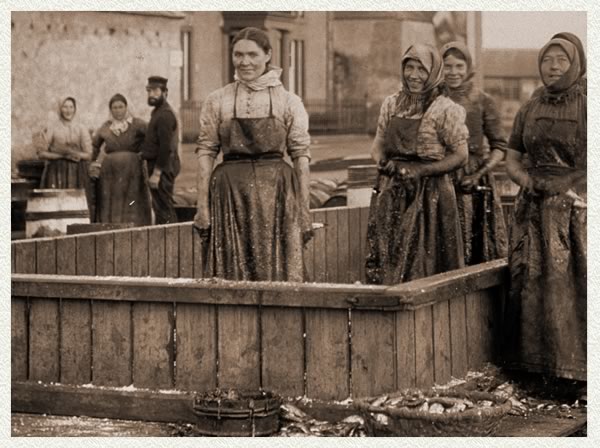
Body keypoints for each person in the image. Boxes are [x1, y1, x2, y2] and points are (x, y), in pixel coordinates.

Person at [194, 27, 311, 282]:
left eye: (252, 55)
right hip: (229, 194)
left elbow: (301, 156)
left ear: (268, 55)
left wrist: (304, 211)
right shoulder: (218, 100)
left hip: (277, 192)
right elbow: (206, 152)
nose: (244, 62)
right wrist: (202, 207)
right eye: (238, 55)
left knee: (279, 269)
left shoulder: (288, 101)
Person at [504, 36, 586, 396]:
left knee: (571, 283)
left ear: (576, 63)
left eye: (561, 61)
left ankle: (578, 371)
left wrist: (567, 184)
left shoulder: (588, 104)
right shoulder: (531, 105)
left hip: (575, 210)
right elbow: (512, 154)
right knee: (529, 281)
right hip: (533, 209)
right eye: (547, 60)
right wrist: (526, 180)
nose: (553, 67)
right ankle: (535, 370)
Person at [365, 43, 469, 285]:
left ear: (433, 72)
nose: (414, 75)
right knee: (388, 258)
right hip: (393, 191)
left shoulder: (446, 109)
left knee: (426, 262)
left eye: (421, 69)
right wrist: (382, 162)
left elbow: (460, 155)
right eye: (409, 67)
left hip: (431, 197)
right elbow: (377, 144)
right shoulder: (391, 104)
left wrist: (422, 170)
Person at [441, 41, 508, 265]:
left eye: (459, 66)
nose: (453, 72)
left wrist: (478, 175)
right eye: (447, 66)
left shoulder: (483, 101)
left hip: (472, 179)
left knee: (474, 244)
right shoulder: (432, 100)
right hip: (439, 177)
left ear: (468, 67)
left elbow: (500, 147)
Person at [90, 93, 151, 226]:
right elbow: (95, 146)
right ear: (110, 110)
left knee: (131, 198)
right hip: (110, 172)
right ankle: (112, 226)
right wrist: (94, 164)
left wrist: (144, 153)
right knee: (112, 199)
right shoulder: (106, 126)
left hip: (132, 169)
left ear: (126, 107)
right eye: (114, 108)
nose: (118, 110)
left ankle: (134, 226)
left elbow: (152, 137)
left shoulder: (137, 124)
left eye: (121, 107)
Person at [37, 96, 94, 215]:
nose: (68, 110)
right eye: (65, 107)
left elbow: (88, 154)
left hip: (77, 172)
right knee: (57, 204)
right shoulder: (53, 127)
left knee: (75, 204)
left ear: (75, 109)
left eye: (71, 107)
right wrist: (61, 156)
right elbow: (41, 153)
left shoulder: (81, 128)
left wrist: (75, 154)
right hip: (56, 171)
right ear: (60, 109)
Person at [140, 76, 180, 224]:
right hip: (160, 165)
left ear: (165, 92)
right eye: (149, 90)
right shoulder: (157, 112)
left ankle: (172, 242)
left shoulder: (165, 115)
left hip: (163, 167)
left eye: (156, 90)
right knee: (160, 208)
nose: (151, 94)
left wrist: (157, 173)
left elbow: (166, 147)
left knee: (164, 208)